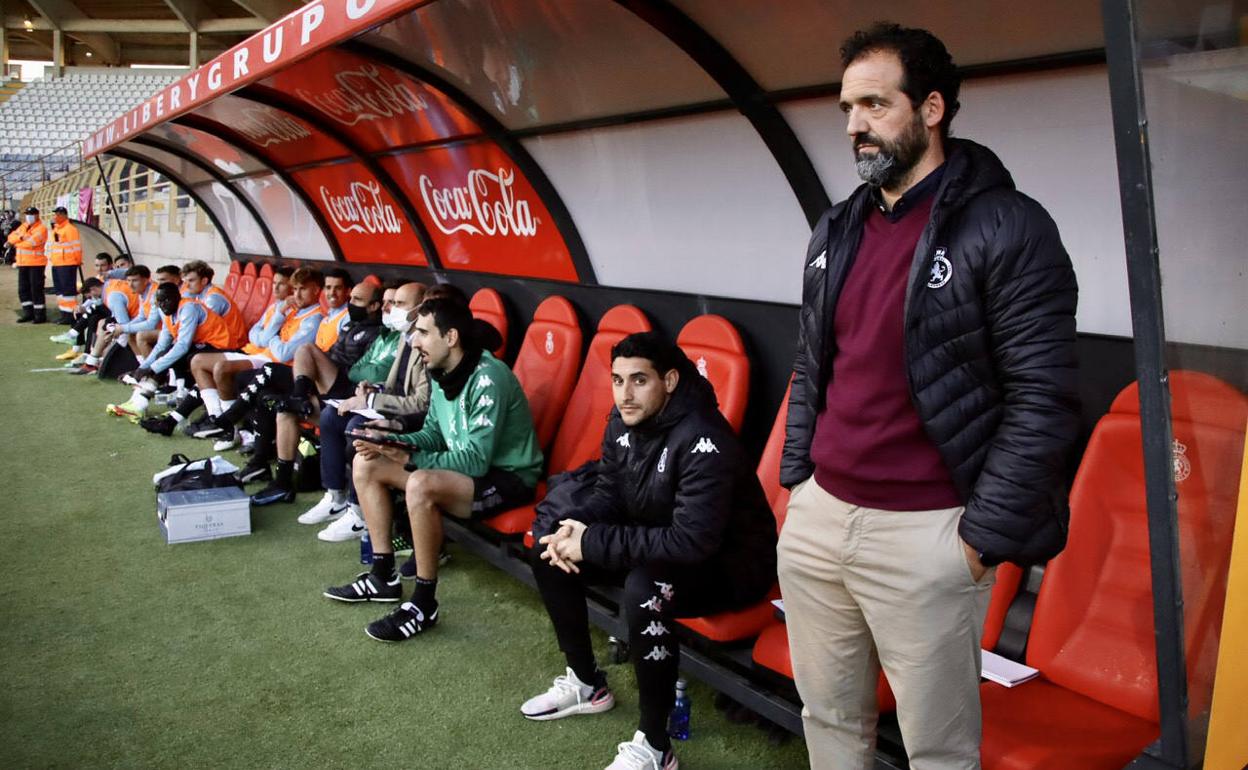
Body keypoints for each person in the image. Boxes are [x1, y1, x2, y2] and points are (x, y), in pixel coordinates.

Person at [776, 23, 1081, 769]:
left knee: (938, 752)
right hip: (821, 523)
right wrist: (798, 484)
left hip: (930, 537)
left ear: (932, 108)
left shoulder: (1009, 226)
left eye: (876, 104)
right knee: (829, 720)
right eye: (849, 107)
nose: (855, 125)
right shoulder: (836, 228)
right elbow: (813, 367)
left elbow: (1043, 397)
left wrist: (977, 546)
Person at [520, 332, 777, 770]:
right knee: (548, 547)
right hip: (661, 545)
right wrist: (576, 528)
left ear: (671, 380)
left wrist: (594, 542)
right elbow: (610, 495)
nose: (625, 394)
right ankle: (587, 684)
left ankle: (656, 746)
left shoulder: (704, 438)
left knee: (644, 589)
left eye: (639, 380)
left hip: (729, 566)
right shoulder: (623, 422)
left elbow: (692, 541)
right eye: (618, 381)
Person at [323, 296, 542, 643]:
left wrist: (408, 458)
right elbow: (436, 434)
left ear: (451, 337)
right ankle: (383, 577)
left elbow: (476, 460)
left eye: (423, 332)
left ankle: (424, 603)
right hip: (465, 473)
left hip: (507, 479)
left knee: (420, 483)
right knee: (367, 463)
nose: (414, 341)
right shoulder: (440, 372)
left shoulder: (489, 377)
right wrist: (393, 440)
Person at [230, 280, 388, 503]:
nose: (351, 303)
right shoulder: (350, 326)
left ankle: (235, 418)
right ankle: (282, 484)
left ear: (374, 306)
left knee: (303, 351)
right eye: (351, 298)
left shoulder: (380, 334)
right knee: (283, 408)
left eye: (358, 300)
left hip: (349, 396)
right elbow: (333, 357)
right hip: (328, 390)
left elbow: (363, 373)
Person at [308, 281, 430, 543]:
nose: (392, 309)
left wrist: (372, 400)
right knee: (332, 416)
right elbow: (393, 382)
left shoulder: (427, 343)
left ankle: (359, 511)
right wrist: (372, 389)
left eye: (399, 304)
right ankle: (335, 496)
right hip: (391, 405)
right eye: (391, 303)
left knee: (356, 427)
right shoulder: (404, 336)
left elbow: (421, 403)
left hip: (411, 419)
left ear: (420, 308)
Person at [138, 267, 324, 436]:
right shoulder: (282, 308)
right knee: (197, 361)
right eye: (294, 288)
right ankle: (203, 418)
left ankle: (224, 426)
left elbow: (282, 352)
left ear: (316, 290)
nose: (293, 293)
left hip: (269, 362)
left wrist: (270, 337)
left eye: (297, 288)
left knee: (216, 368)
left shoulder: (310, 317)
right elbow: (255, 335)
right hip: (255, 353)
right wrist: (271, 335)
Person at [122, 282, 238, 411]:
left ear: (177, 297)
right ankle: (142, 400)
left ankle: (141, 403)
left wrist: (152, 369)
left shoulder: (189, 308)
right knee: (165, 352)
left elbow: (183, 345)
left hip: (222, 347)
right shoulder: (167, 312)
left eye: (166, 300)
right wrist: (142, 368)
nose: (162, 304)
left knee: (175, 354)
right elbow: (161, 345)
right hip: (203, 346)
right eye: (159, 302)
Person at [8, 206, 49, 324]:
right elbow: (11, 237)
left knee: (36, 289)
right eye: (27, 214)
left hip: (36, 263)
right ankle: (28, 313)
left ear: (37, 215)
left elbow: (32, 243)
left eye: (31, 214)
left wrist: (16, 243)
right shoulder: (24, 226)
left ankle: (40, 315)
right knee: (23, 289)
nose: (29, 216)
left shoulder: (41, 228)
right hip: (23, 263)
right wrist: (20, 238)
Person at [47, 206, 82, 324]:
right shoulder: (57, 229)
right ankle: (64, 313)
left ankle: (70, 315)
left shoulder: (70, 229)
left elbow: (76, 247)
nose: (55, 217)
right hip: (57, 264)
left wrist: (77, 261)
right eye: (55, 214)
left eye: (58, 214)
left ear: (64, 215)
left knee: (68, 291)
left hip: (67, 264)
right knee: (60, 291)